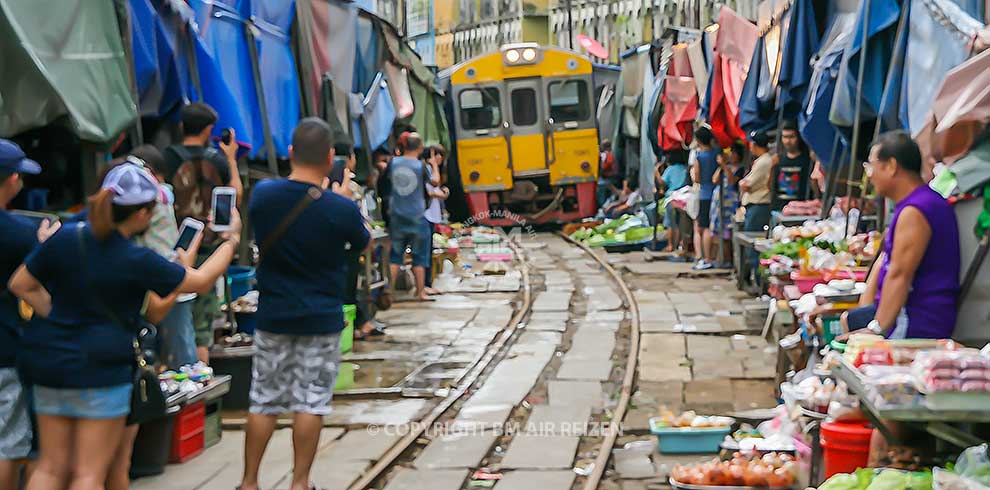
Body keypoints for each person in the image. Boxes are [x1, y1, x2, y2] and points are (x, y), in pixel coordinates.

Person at [8, 162, 239, 490]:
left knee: (49, 467)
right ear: (143, 214)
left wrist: (56, 314)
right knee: (89, 474)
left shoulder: (65, 239)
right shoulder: (136, 259)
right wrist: (230, 241)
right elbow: (200, 281)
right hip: (102, 370)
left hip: (50, 364)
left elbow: (21, 284)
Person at [241, 119, 370, 490]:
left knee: (263, 400)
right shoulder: (340, 209)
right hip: (321, 319)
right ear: (331, 158)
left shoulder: (263, 195)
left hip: (273, 316)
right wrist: (345, 201)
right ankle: (300, 482)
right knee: (310, 402)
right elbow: (362, 242)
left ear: (291, 153)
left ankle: (249, 482)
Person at [839, 131, 960, 340]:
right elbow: (886, 265)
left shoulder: (916, 210)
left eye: (871, 165)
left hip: (915, 320)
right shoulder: (913, 205)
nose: (869, 174)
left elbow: (899, 275)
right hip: (903, 315)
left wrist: (876, 330)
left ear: (891, 166)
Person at [163, 102, 242, 364]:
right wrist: (230, 158)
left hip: (174, 247)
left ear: (181, 126)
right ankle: (202, 387)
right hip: (209, 249)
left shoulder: (167, 159)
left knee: (170, 320)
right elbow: (235, 196)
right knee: (202, 328)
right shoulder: (217, 160)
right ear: (209, 129)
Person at [0, 140, 59, 490]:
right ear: (10, 180)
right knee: (8, 443)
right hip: (5, 347)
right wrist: (44, 246)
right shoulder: (19, 235)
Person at [385, 133, 439, 301]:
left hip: (397, 216)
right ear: (420, 148)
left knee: (395, 256)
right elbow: (435, 182)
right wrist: (434, 165)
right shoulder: (420, 166)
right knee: (419, 257)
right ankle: (420, 292)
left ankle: (389, 293)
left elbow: (384, 183)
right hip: (417, 216)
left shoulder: (392, 163)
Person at [739, 132, 773, 283]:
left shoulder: (764, 162)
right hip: (754, 206)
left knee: (754, 245)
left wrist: (742, 183)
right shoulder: (761, 161)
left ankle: (759, 281)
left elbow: (746, 184)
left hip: (759, 206)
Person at [710, 142, 746, 266]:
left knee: (729, 232)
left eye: (732, 153)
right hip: (720, 203)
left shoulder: (740, 169)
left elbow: (731, 181)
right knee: (719, 232)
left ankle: (730, 260)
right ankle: (722, 259)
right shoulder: (725, 167)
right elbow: (714, 179)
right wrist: (721, 166)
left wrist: (724, 166)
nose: (730, 155)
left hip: (731, 203)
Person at [691, 126, 720, 270]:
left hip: (704, 195)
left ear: (698, 140)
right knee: (713, 226)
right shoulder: (717, 153)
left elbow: (697, 178)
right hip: (717, 193)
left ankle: (705, 258)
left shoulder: (699, 157)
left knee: (704, 227)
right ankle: (712, 257)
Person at [423, 145, 448, 295]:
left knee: (428, 250)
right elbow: (432, 189)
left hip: (430, 215)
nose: (439, 160)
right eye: (438, 156)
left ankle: (427, 284)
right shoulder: (426, 169)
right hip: (426, 215)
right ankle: (425, 285)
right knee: (425, 251)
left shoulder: (428, 169)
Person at [656, 152, 691, 255]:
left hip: (672, 198)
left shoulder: (670, 169)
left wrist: (657, 172)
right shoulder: (685, 168)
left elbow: (662, 182)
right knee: (682, 223)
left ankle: (671, 245)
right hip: (685, 199)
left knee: (670, 223)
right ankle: (681, 245)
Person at [773, 120, 814, 206]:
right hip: (779, 208)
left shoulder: (807, 161)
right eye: (785, 137)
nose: (788, 141)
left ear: (798, 137)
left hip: (801, 208)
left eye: (791, 137)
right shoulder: (777, 160)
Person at [597, 140, 618, 207]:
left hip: (601, 179)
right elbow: (609, 165)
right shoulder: (609, 155)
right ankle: (606, 208)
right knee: (611, 195)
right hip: (607, 178)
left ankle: (603, 208)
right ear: (609, 147)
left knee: (602, 196)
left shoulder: (601, 155)